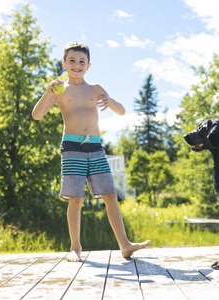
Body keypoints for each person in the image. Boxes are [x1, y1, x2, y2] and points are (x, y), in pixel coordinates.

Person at [32, 41, 150, 262]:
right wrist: (48, 93)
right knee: (75, 199)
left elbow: (122, 111)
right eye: (72, 61)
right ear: (64, 63)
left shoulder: (95, 88)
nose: (77, 65)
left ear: (89, 65)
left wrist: (110, 101)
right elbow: (37, 115)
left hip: (95, 147)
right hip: (72, 148)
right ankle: (75, 247)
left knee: (111, 196)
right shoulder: (59, 90)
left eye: (82, 62)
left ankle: (125, 245)